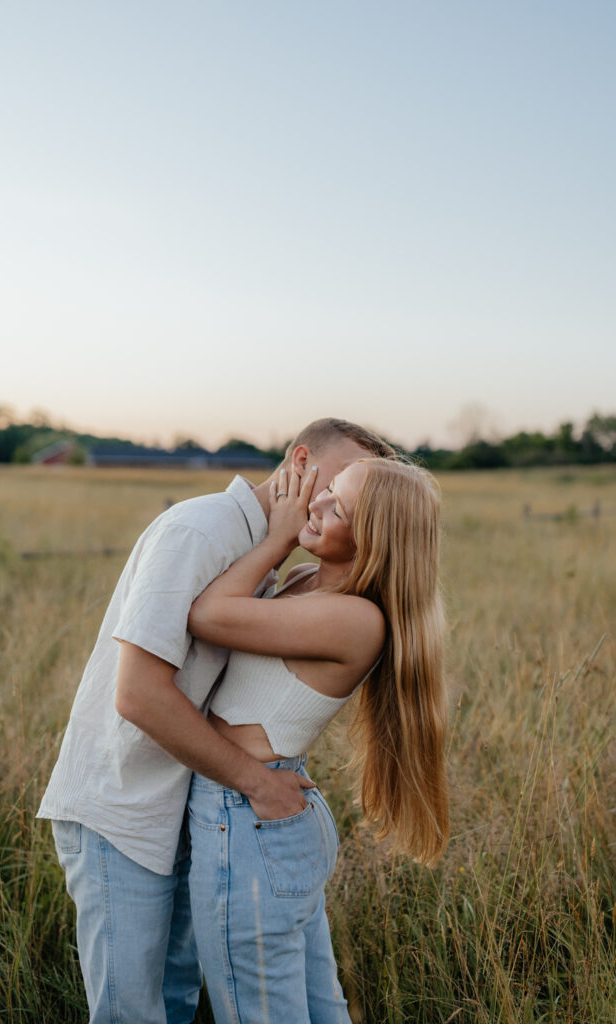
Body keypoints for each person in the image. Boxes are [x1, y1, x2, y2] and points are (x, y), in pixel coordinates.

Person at [37, 418, 395, 1024]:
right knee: (132, 1013)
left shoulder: (282, 557)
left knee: (177, 1001)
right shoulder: (200, 531)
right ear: (301, 461)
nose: (339, 506)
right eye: (340, 484)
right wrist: (257, 782)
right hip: (123, 807)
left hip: (190, 804)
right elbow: (139, 697)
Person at [185, 457, 449, 1024]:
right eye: (327, 488)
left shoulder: (352, 618)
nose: (318, 503)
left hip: (247, 816)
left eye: (339, 507)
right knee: (317, 1009)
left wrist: (278, 539)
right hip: (264, 814)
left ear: (372, 538)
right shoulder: (309, 583)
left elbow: (206, 614)